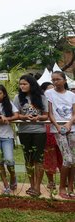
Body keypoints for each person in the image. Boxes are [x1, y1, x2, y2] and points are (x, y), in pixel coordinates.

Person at [13, 75, 48, 197]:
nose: (22, 86)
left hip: (39, 131)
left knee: (38, 159)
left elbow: (46, 115)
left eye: (24, 84)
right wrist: (24, 117)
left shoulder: (41, 97)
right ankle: (32, 185)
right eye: (20, 84)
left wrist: (38, 117)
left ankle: (38, 187)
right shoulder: (18, 97)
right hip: (24, 131)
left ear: (31, 84)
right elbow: (16, 115)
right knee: (28, 159)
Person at [45, 71, 75, 199]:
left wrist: (69, 124)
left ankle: (71, 187)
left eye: (57, 79)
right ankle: (62, 187)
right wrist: (58, 126)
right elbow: (50, 113)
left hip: (72, 128)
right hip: (57, 130)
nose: (55, 82)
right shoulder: (49, 93)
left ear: (64, 80)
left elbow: (74, 113)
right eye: (53, 80)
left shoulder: (72, 95)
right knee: (67, 159)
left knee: (73, 160)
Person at [0, 84, 19, 195]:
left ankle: (13, 177)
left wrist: (7, 118)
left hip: (7, 136)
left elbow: (16, 115)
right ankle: (6, 185)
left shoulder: (9, 103)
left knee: (9, 160)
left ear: (4, 94)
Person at [41, 82, 61, 190]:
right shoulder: (41, 102)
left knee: (62, 157)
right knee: (48, 157)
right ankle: (51, 182)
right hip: (47, 132)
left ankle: (64, 181)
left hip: (60, 131)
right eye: (48, 90)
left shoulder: (61, 101)